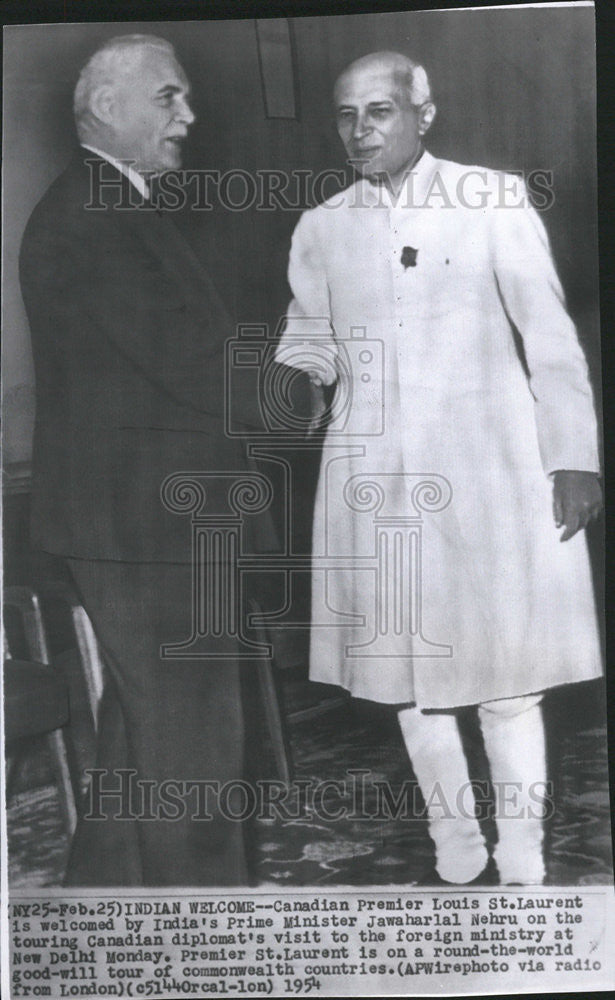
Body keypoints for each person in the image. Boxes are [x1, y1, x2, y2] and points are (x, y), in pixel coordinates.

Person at [275, 51, 603, 885]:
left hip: (490, 470)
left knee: (506, 679)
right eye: (346, 115)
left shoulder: (489, 199)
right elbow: (306, 342)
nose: (359, 131)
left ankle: (521, 853)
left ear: (424, 113)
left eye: (378, 111)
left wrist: (572, 458)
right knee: (408, 681)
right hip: (374, 480)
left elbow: (550, 336)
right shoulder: (321, 226)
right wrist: (289, 388)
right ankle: (453, 845)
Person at [19, 34, 275, 886]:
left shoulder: (109, 206)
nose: (189, 116)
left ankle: (98, 914)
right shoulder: (95, 215)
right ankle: (208, 946)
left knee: (147, 735)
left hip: (145, 520)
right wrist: (315, 379)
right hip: (144, 527)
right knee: (196, 751)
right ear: (105, 107)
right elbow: (192, 360)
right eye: (169, 97)